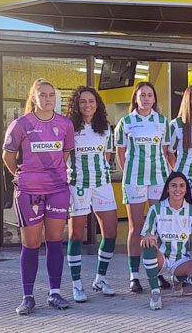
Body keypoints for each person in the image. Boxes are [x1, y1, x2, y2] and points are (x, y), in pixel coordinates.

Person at [2, 79, 75, 315]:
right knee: (31, 243)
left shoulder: (65, 124)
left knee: (55, 241)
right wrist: (23, 176)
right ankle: (28, 297)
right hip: (29, 191)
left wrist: (51, 175)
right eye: (42, 95)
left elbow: (64, 154)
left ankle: (54, 293)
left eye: (51, 95)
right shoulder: (20, 124)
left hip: (58, 189)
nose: (47, 99)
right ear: (33, 97)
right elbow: (8, 157)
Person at [114, 81, 172, 293]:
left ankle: (157, 272)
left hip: (158, 178)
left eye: (149, 95)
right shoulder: (126, 122)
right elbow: (120, 154)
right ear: (136, 99)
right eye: (142, 95)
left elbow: (166, 152)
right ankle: (134, 276)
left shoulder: (162, 122)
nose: (146, 99)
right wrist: (130, 171)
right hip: (135, 180)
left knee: (157, 226)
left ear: (154, 99)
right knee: (135, 227)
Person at [64, 87, 118, 302]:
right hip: (77, 185)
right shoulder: (69, 127)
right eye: (83, 102)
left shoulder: (104, 127)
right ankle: (77, 285)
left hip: (102, 184)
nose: (87, 105)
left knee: (111, 233)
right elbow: (63, 157)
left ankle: (100, 279)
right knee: (76, 235)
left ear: (98, 104)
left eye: (92, 101)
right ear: (76, 105)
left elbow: (107, 157)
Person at [141, 172, 192, 310]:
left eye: (181, 186)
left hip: (181, 260)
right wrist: (148, 236)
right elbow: (145, 235)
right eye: (173, 186)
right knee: (147, 245)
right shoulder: (156, 209)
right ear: (167, 188)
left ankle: (178, 278)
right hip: (161, 257)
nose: (177, 189)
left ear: (186, 190)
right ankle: (155, 292)